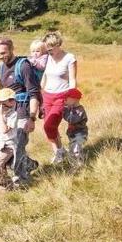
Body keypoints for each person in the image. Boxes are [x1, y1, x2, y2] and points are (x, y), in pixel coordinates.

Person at [0, 37, 40, 186]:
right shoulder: (0, 67)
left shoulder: (23, 66)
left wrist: (32, 118)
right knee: (7, 147)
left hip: (22, 111)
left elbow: (34, 93)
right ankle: (28, 164)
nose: (1, 56)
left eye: (3, 53)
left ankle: (22, 183)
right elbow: (2, 93)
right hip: (6, 112)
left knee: (17, 146)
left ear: (12, 49)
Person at [40, 31, 78, 164]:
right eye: (47, 48)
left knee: (49, 126)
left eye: (51, 47)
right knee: (48, 126)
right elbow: (44, 73)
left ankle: (60, 150)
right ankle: (58, 152)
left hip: (62, 96)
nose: (48, 50)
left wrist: (73, 97)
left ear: (58, 45)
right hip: (47, 96)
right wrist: (40, 90)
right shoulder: (47, 57)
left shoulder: (69, 58)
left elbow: (73, 80)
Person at [63, 88, 88, 166]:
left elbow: (72, 120)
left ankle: (80, 164)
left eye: (67, 99)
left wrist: (63, 112)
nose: (65, 100)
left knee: (76, 149)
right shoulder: (71, 108)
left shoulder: (80, 110)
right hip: (72, 134)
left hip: (80, 133)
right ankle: (74, 164)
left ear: (74, 99)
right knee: (72, 149)